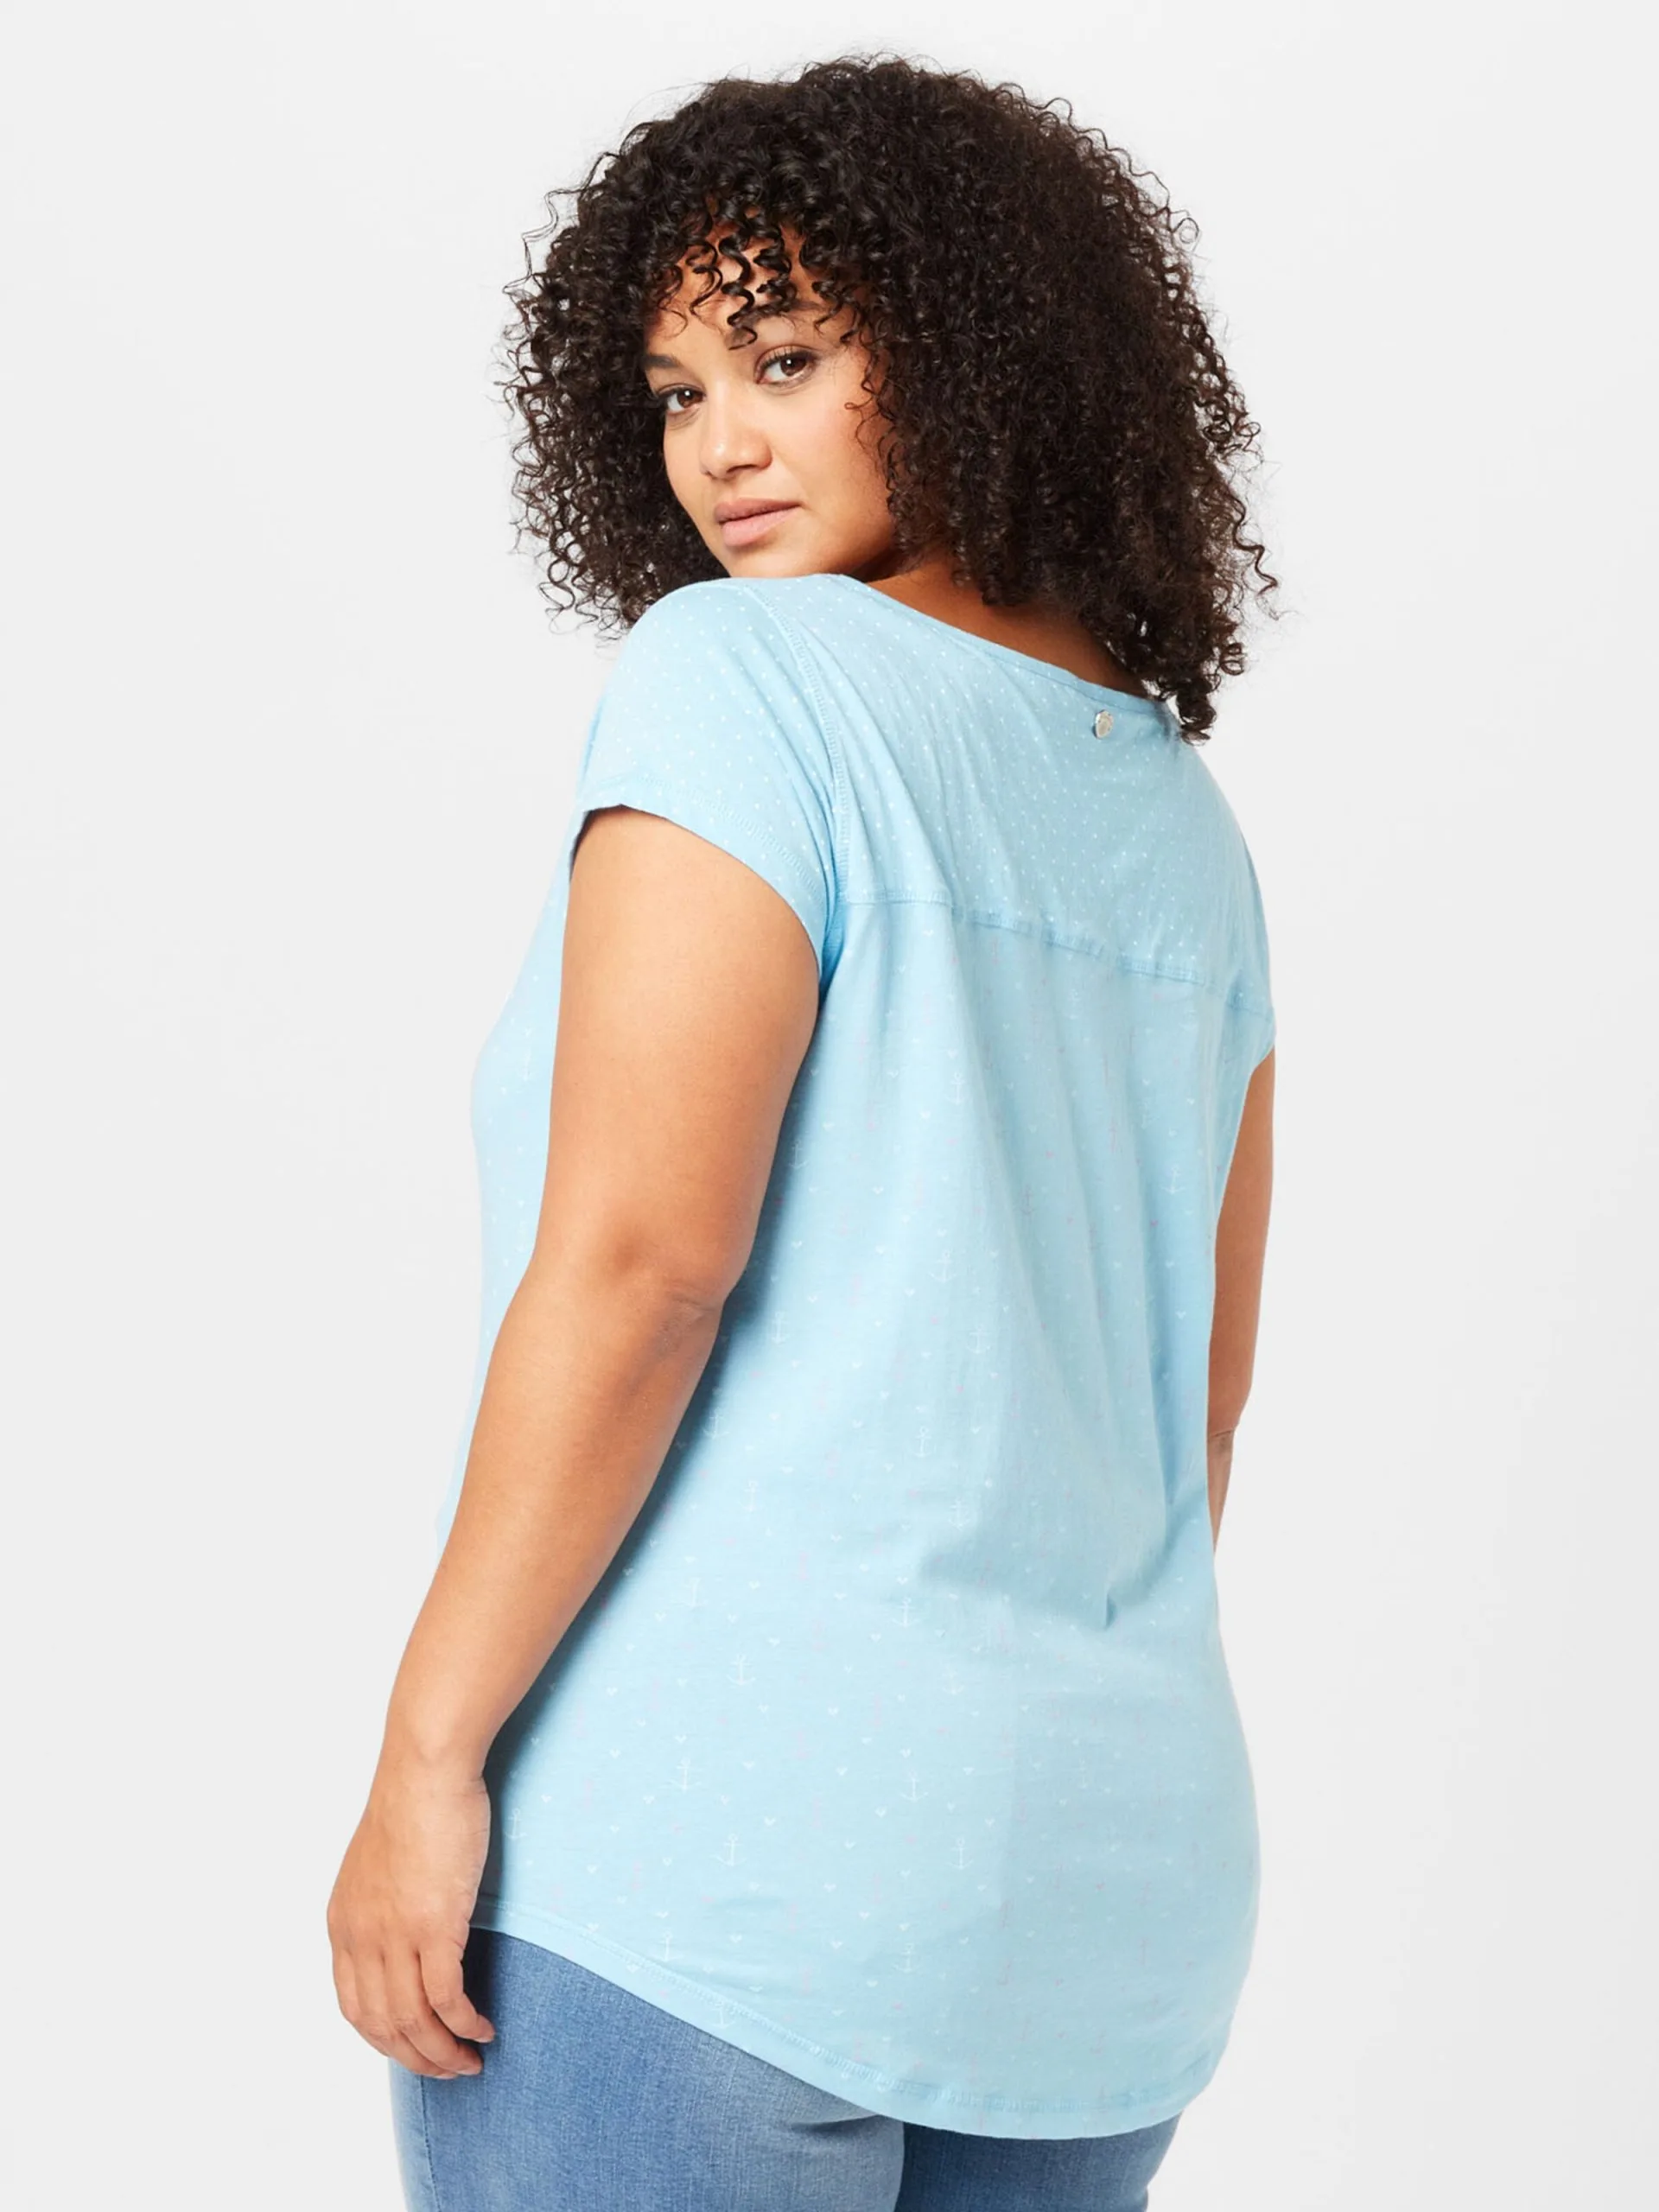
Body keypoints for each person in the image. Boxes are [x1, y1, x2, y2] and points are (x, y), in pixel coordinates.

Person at [327, 52, 1279, 2212]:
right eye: (676, 390)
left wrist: (428, 1749)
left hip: (717, 1868)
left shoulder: (746, 680)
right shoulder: (1182, 825)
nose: (718, 448)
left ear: (973, 345)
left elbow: (644, 1260)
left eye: (785, 359)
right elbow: (1197, 1407)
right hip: (1107, 1904)